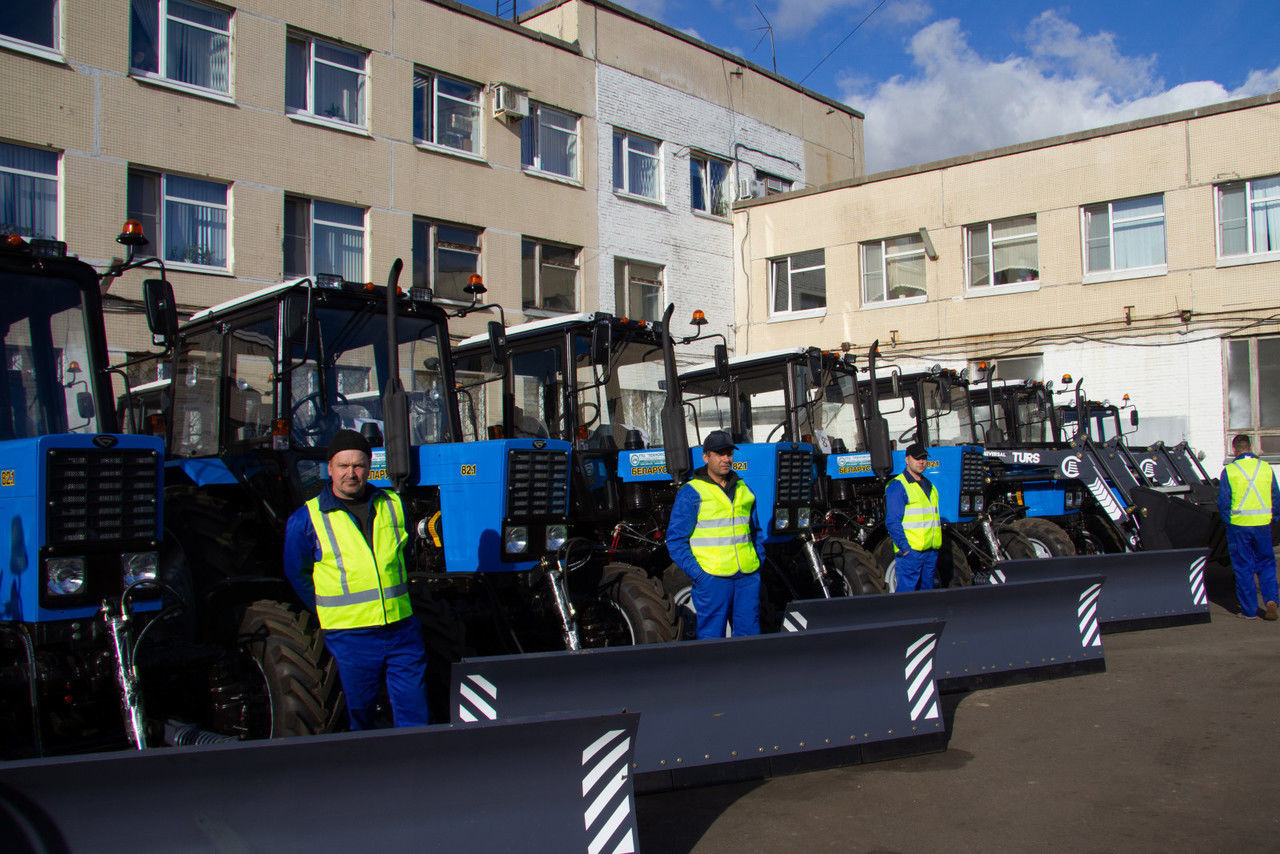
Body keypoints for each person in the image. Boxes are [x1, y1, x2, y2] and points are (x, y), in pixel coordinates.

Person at [283, 429, 430, 728]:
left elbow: (406, 555)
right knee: (359, 715)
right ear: (329, 469)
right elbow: (296, 572)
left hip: (401, 631)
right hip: (350, 637)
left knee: (415, 711)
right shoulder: (306, 519)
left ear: (368, 467)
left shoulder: (392, 505)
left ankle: (414, 768)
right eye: (343, 466)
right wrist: (326, 609)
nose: (351, 473)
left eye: (359, 465)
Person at [666, 430, 767, 639]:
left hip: (747, 577)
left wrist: (757, 562)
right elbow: (675, 541)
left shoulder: (743, 488)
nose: (726, 459)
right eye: (719, 454)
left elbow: (755, 531)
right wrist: (700, 575)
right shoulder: (692, 492)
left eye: (729, 453)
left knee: (751, 638)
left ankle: (748, 672)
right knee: (712, 640)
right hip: (713, 579)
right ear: (706, 457)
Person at [1216, 434, 1280, 621]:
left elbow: (1223, 502)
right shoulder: (1265, 468)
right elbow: (1275, 497)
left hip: (1239, 526)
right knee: (1266, 563)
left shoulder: (1230, 471)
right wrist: (1273, 518)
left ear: (1234, 449)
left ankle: (1249, 610)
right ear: (1251, 447)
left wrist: (1228, 522)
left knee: (1243, 567)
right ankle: (1271, 601)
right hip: (1262, 525)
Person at [885, 442, 942, 591]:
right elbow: (892, 522)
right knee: (907, 598)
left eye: (924, 458)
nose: (921, 462)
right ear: (907, 459)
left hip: (930, 552)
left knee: (927, 595)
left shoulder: (930, 485)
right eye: (917, 458)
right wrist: (905, 549)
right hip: (912, 554)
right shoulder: (898, 486)